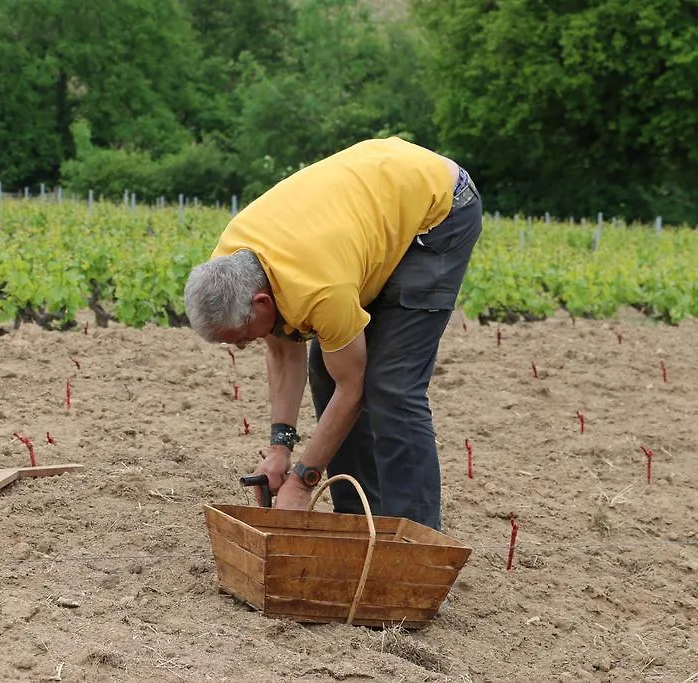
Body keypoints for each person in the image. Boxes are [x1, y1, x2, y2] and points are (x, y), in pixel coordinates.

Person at [182, 136, 482, 530]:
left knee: (391, 385)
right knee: (326, 369)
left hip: (440, 209)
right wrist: (279, 450)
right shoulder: (233, 262)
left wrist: (303, 481)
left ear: (261, 303)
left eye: (238, 335)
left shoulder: (319, 288)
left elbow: (352, 386)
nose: (240, 345)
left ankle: (416, 540)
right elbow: (282, 347)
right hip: (370, 204)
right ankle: (359, 520)